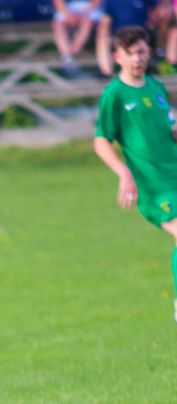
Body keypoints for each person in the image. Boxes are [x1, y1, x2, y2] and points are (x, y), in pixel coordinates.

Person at [94, 26, 177, 322]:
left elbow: (169, 130)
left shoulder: (156, 87)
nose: (136, 59)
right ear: (118, 57)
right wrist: (123, 171)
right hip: (153, 187)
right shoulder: (115, 94)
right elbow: (101, 140)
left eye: (141, 52)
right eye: (130, 54)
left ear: (149, 52)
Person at [96, 0, 160, 76]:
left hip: (140, 35)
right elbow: (106, 21)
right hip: (120, 36)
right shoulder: (111, 1)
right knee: (102, 38)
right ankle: (106, 73)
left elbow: (156, 13)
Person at [52, 0, 105, 76]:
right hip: (68, 8)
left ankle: (72, 55)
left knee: (87, 23)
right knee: (58, 25)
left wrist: (83, 13)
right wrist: (68, 16)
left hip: (90, 8)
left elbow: (97, 1)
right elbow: (58, 2)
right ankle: (68, 58)